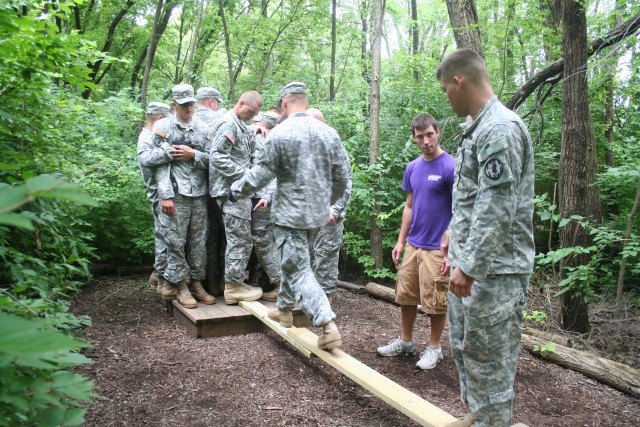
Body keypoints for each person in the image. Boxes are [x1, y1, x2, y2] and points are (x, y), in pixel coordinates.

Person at [437, 49, 535, 427]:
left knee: (489, 357)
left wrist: (471, 267)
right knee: (465, 349)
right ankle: (481, 417)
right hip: (471, 263)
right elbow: (475, 199)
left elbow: (498, 207)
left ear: (459, 82)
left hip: (495, 271)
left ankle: (493, 420)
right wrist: (452, 234)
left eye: (447, 89)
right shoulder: (478, 127)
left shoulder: (499, 128)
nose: (447, 96)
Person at [229, 82, 350, 350]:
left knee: (298, 268)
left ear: (284, 103)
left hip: (289, 217)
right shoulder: (328, 132)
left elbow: (262, 174)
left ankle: (326, 323)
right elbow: (341, 177)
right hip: (317, 216)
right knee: (294, 262)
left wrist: (236, 190)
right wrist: (325, 202)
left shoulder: (280, 133)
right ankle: (284, 308)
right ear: (305, 101)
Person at [376, 114, 455, 371]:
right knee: (406, 296)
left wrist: (452, 247)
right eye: (420, 137)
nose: (425, 141)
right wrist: (400, 241)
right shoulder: (413, 167)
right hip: (414, 243)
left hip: (437, 247)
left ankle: (434, 348)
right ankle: (406, 342)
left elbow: (462, 209)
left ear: (437, 132)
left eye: (429, 134)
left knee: (436, 300)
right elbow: (409, 206)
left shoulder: (451, 167)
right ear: (414, 138)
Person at [152, 84, 217, 308]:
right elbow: (159, 165)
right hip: (175, 192)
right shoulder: (164, 126)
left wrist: (194, 154)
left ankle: (197, 283)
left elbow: (213, 159)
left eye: (191, 103)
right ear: (174, 105)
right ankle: (180, 285)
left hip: (199, 192)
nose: (189, 108)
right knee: (175, 240)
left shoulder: (202, 127)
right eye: (184, 105)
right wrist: (165, 195)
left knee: (198, 241)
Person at [209, 90, 264, 304]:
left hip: (237, 189)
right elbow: (217, 157)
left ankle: (233, 282)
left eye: (255, 114)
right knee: (240, 238)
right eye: (250, 111)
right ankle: (233, 286)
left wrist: (254, 127)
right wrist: (246, 174)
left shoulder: (240, 125)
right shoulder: (228, 124)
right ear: (240, 103)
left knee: (238, 237)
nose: (251, 116)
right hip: (230, 190)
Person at [305, 108, 352, 300]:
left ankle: (324, 300)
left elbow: (345, 182)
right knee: (307, 257)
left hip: (329, 216)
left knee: (325, 257)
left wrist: (334, 210)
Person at [136, 102, 172, 293]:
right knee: (164, 235)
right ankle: (160, 275)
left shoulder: (153, 136)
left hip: (161, 192)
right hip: (158, 192)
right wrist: (169, 153)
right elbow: (146, 159)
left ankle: (157, 275)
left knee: (163, 233)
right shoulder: (147, 138)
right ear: (159, 118)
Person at [248, 111, 282, 301]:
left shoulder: (263, 139)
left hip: (262, 198)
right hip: (263, 196)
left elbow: (269, 171)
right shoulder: (273, 137)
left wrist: (268, 195)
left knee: (263, 239)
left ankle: (280, 284)